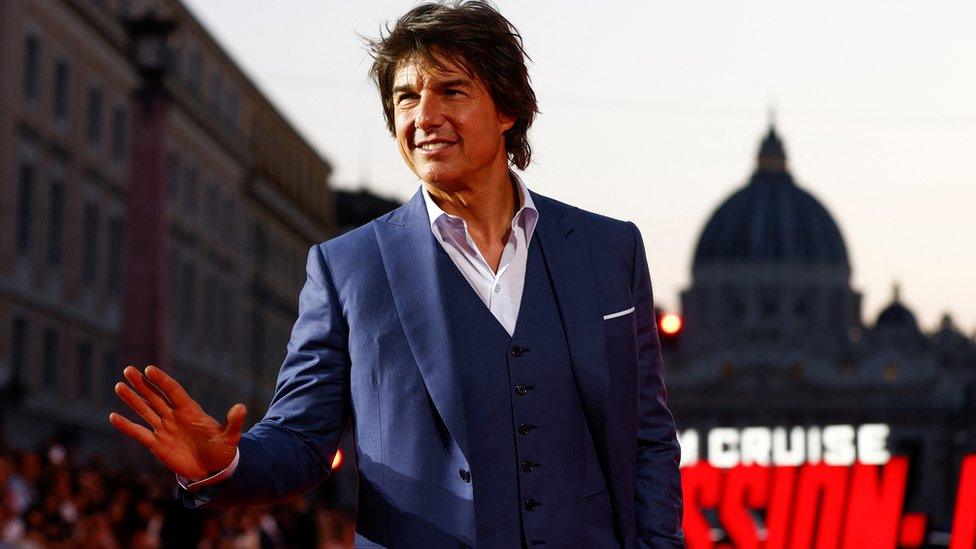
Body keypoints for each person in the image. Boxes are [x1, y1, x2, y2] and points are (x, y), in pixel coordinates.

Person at [110, 2, 684, 547]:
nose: (424, 117)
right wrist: (225, 466)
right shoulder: (346, 268)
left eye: (451, 91)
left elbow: (647, 439)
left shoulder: (610, 250)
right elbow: (301, 438)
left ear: (508, 108)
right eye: (406, 98)